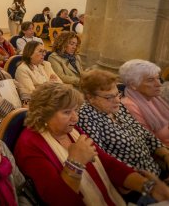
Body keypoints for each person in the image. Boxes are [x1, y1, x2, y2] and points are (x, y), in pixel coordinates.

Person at [15, 82, 169, 206]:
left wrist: (148, 187)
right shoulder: (30, 145)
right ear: (44, 114)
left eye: (75, 110)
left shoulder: (71, 129)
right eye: (67, 112)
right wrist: (75, 162)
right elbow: (59, 200)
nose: (75, 118)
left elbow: (106, 162)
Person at [78, 69, 169, 177]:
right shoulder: (86, 117)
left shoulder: (118, 107)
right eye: (109, 97)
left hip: (154, 169)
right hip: (134, 182)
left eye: (117, 94)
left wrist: (165, 155)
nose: (117, 100)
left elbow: (144, 133)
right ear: (90, 98)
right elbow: (101, 160)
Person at [119, 59, 169, 145]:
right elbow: (149, 142)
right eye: (150, 80)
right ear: (133, 85)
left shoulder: (155, 98)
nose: (159, 84)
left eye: (157, 78)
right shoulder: (129, 106)